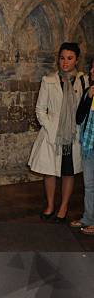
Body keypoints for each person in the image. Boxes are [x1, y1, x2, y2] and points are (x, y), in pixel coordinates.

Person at [28, 42, 88, 222]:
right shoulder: (49, 80)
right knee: (50, 171)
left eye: (69, 58)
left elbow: (84, 108)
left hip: (72, 133)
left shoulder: (82, 80)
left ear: (76, 60)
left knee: (68, 172)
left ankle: (64, 207)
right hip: (52, 133)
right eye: (62, 58)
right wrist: (50, 125)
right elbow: (40, 109)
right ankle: (50, 205)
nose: (65, 62)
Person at [70, 58, 94, 235]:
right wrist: (89, 97)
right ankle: (88, 218)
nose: (92, 72)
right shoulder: (88, 91)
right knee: (89, 185)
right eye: (92, 68)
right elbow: (79, 118)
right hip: (88, 145)